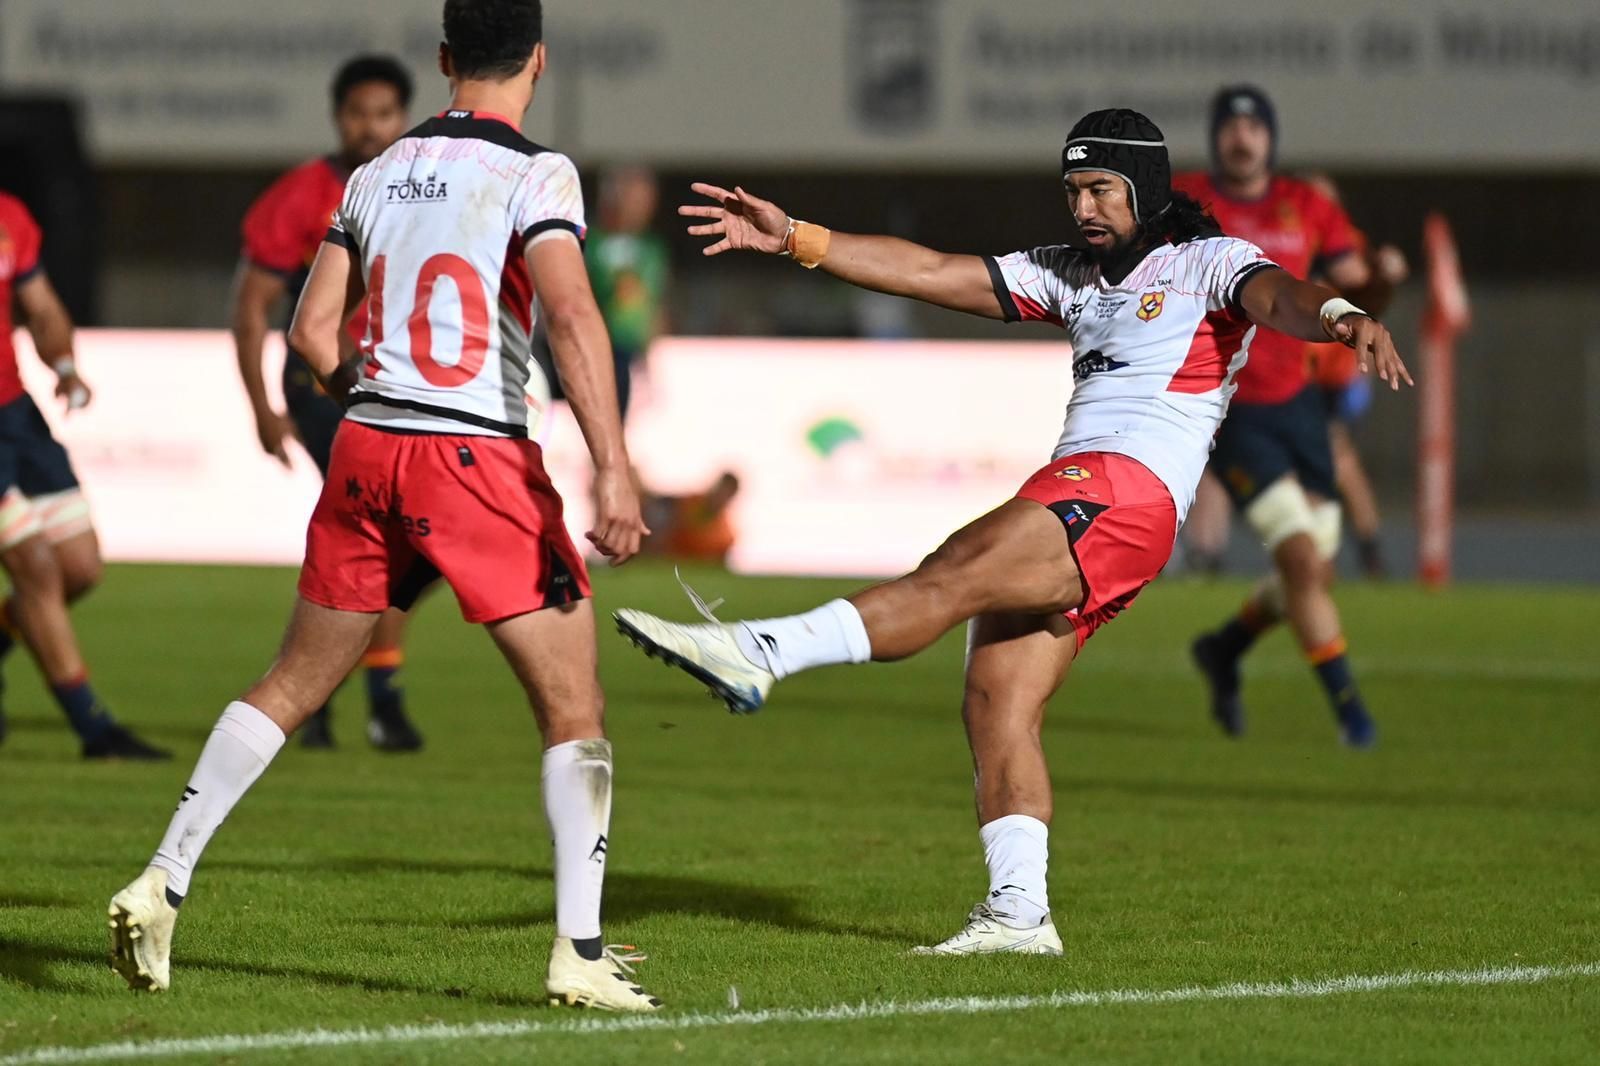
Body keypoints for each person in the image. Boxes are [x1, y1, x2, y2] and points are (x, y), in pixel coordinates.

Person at [614, 108, 1410, 955]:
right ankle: (1020, 912)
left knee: (953, 568)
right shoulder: (1067, 273)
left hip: (1127, 493)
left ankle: (761, 652)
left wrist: (1339, 313)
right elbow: (928, 270)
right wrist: (795, 238)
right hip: (1093, 496)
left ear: (1143, 187)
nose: (1083, 208)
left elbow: (1280, 295)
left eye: (1101, 189)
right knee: (997, 698)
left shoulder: (1206, 262)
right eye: (1073, 190)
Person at [108, 0, 661, 1011]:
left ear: (445, 58)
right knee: (572, 705)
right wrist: (614, 467)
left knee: (290, 682)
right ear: (538, 60)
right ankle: (580, 952)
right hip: (476, 456)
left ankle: (163, 876)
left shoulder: (375, 172)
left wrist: (364, 400)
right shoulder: (538, 172)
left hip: (366, 447)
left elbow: (311, 332)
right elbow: (573, 313)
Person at [1174, 86, 1385, 745]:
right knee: (1298, 557)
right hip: (1231, 411)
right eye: (1230, 126)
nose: (1242, 138)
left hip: (1300, 404)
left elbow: (1360, 287)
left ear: (1270, 136)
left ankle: (1225, 647)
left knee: (1313, 571)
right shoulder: (1184, 200)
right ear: (1216, 135)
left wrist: (1385, 280)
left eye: (1253, 127)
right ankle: (1352, 715)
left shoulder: (1307, 204)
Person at [231, 54, 424, 752]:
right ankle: (372, 699)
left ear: (402, 116)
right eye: (357, 113)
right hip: (322, 383)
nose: (370, 127)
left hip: (401, 382)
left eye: (383, 113)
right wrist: (261, 406)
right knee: (387, 531)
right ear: (338, 117)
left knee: (402, 541)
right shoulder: (302, 195)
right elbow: (252, 308)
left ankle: (321, 693)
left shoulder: (424, 184)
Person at [0, 190, 168, 759]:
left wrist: (66, 367)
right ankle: (95, 729)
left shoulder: (10, 216)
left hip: (15, 415)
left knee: (78, 568)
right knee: (35, 567)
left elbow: (42, 308)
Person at [1302, 173, 1410, 578]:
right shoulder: (1288, 237)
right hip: (1300, 371)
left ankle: (1355, 551)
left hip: (1334, 373)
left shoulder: (1348, 244)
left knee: (1332, 459)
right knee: (1325, 463)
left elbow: (1372, 291)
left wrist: (1387, 273)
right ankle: (1352, 551)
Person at [584, 167, 669, 419]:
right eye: (633, 196)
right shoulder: (591, 242)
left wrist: (651, 352)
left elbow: (655, 301)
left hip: (633, 351)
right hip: (598, 349)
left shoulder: (653, 248)